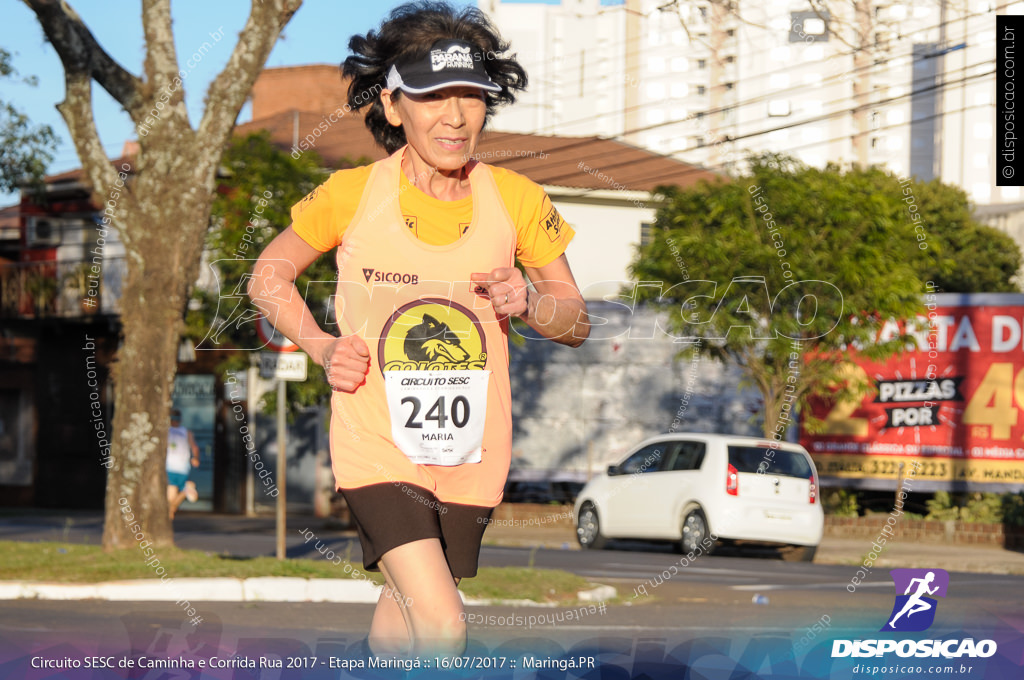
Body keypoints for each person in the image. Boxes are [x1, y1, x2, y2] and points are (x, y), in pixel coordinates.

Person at [248, 1, 589, 657]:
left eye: (472, 95)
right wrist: (320, 345)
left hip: (470, 456)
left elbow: (573, 319)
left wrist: (527, 303)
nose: (456, 116)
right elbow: (268, 276)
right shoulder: (353, 194)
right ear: (395, 104)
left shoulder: (517, 200)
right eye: (434, 96)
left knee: (402, 617)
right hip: (375, 446)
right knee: (442, 623)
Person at [166, 408, 200, 519]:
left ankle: (186, 491)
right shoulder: (186, 432)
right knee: (172, 503)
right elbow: (194, 447)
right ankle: (185, 491)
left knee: (171, 499)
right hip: (182, 468)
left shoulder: (166, 430)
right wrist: (195, 458)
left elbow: (195, 447)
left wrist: (195, 457)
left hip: (170, 467)